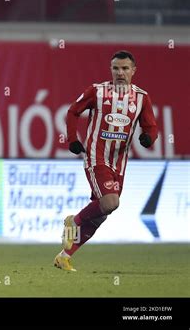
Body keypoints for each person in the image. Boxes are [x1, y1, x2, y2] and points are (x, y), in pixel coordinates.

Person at [54, 50, 158, 271]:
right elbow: (73, 111)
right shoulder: (98, 91)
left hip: (119, 162)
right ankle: (74, 221)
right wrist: (73, 140)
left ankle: (64, 257)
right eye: (116, 68)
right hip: (96, 157)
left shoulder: (141, 98)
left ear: (133, 71)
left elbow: (151, 125)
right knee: (111, 203)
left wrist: (148, 137)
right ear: (111, 70)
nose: (120, 73)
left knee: (102, 214)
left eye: (125, 68)